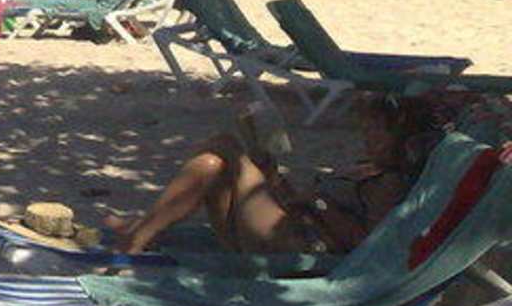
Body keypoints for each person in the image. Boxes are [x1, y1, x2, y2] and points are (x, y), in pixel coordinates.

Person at [104, 95, 435, 255]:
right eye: (366, 130)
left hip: (302, 245)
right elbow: (307, 201)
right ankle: (142, 231)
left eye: (376, 132)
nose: (367, 138)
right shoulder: (369, 167)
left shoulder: (389, 184)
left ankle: (138, 235)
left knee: (226, 148)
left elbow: (367, 247)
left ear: (402, 139)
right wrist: (276, 182)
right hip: (290, 227)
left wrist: (318, 204)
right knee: (214, 163)